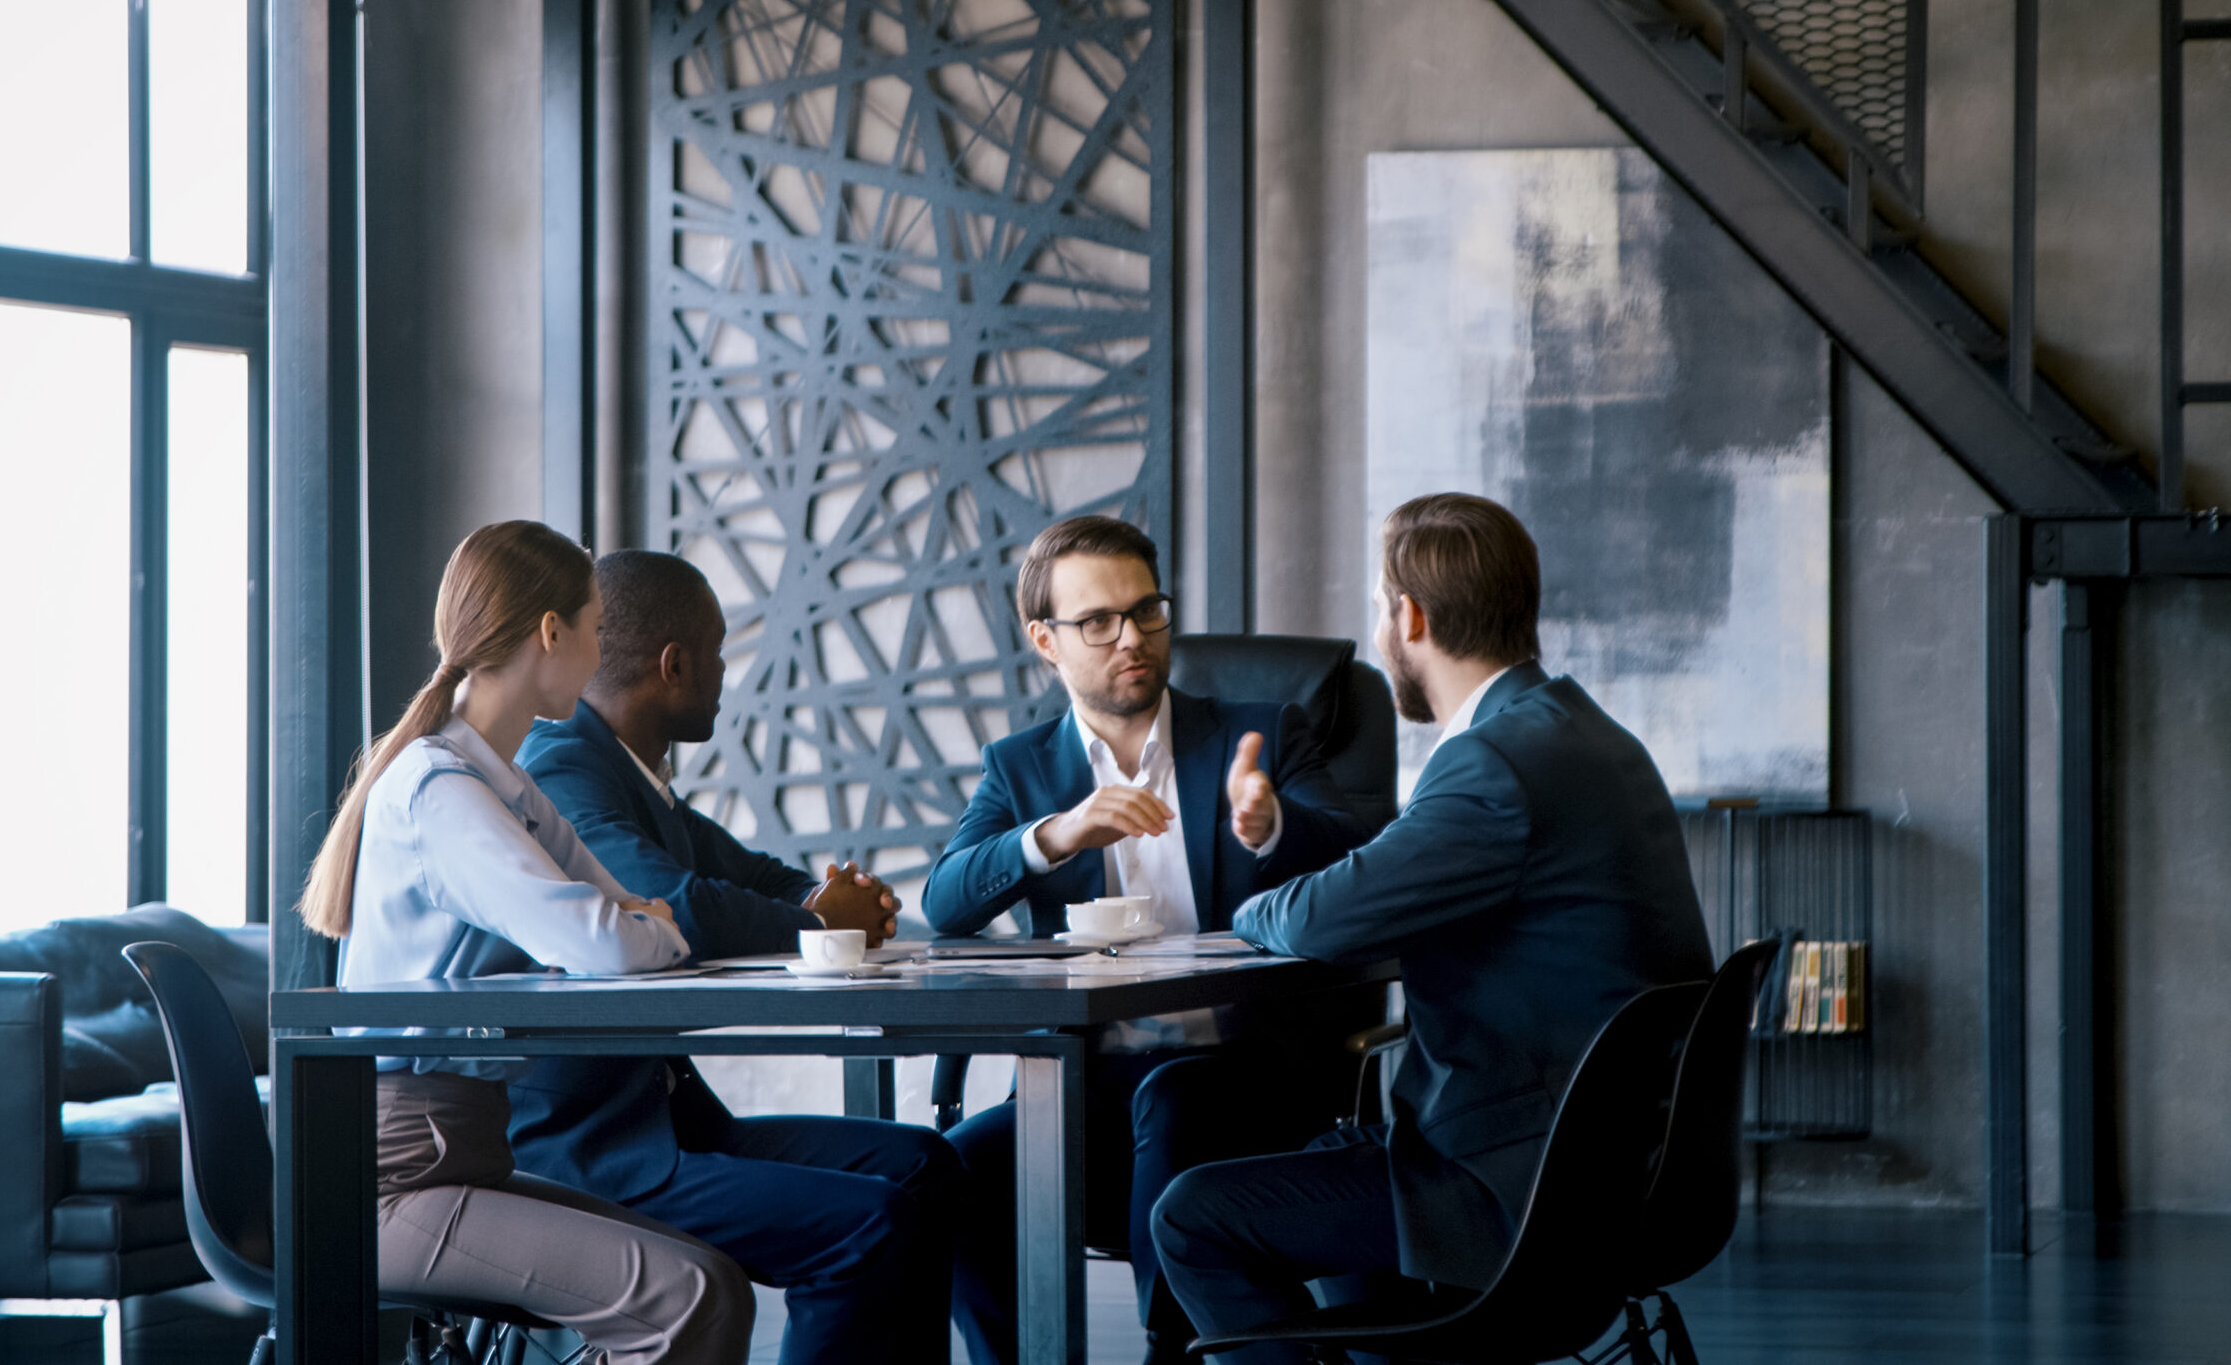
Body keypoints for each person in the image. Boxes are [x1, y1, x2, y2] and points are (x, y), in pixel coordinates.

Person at [1148, 493, 1717, 1365]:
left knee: (1191, 1217)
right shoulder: (1583, 732)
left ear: (1410, 615)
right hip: (1610, 1169)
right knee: (1325, 1157)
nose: (1380, 628)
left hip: (1519, 1187)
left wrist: (1250, 903)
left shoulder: (1494, 762)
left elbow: (1320, 916)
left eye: (1380, 608)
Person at [924, 515, 1377, 1365]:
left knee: (1172, 1099)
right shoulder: (1021, 767)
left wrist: (1272, 826)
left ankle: (1175, 1351)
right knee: (946, 1172)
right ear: (1045, 641)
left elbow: (1361, 856)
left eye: (1147, 610)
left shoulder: (1262, 732)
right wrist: (1054, 834)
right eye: (1097, 621)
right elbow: (947, 900)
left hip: (1249, 1082)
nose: (1131, 637)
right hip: (1083, 1090)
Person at [298, 521, 753, 1365]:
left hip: (463, 1148)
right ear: (553, 633)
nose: (600, 650)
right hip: (394, 1174)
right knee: (685, 1299)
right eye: (594, 627)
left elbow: (634, 919)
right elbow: (616, 939)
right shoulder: (441, 793)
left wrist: (638, 925)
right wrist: (638, 926)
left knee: (711, 1282)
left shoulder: (507, 788)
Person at [512, 548, 967, 1365]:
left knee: (921, 1165)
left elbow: (752, 875)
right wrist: (827, 925)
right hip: (583, 1147)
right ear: (674, 665)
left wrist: (832, 903)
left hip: (670, 1123)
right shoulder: (562, 769)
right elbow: (672, 902)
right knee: (869, 1222)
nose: (726, 673)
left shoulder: (634, 775)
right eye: (718, 652)